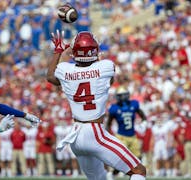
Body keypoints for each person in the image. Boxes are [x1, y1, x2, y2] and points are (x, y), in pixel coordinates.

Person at [47, 30, 146, 180]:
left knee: (99, 179)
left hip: (76, 136)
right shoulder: (105, 66)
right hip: (95, 133)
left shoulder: (65, 69)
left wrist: (58, 51)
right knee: (138, 171)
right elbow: (109, 81)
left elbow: (50, 77)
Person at [106, 86, 147, 177]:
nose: (122, 97)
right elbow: (109, 122)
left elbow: (142, 115)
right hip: (121, 136)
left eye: (123, 95)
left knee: (138, 158)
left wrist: (144, 123)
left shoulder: (133, 104)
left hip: (132, 135)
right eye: (120, 95)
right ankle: (113, 174)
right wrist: (107, 135)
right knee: (121, 159)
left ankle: (134, 175)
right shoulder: (114, 108)